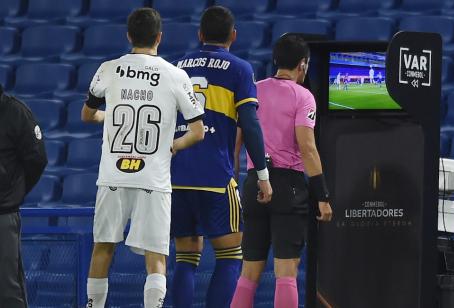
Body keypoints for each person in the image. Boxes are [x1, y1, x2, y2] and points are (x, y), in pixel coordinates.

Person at [82, 8, 205, 308]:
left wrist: (107, 118)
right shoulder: (176, 76)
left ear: (128, 36)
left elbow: (87, 114)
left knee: (103, 248)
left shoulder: (108, 69)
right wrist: (174, 146)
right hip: (153, 176)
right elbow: (198, 131)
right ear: (160, 37)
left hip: (113, 173)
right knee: (156, 256)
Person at [170, 6, 273, 308]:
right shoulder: (239, 69)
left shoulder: (176, 68)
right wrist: (263, 176)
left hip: (176, 176)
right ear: (233, 35)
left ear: (200, 35)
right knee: (230, 258)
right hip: (216, 176)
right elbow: (251, 125)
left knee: (186, 258)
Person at [231, 34, 333, 308]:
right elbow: (308, 148)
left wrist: (235, 182)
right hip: (288, 187)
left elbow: (236, 144)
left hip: (254, 184)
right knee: (286, 270)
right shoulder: (304, 97)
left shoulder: (253, 89)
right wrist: (322, 195)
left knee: (249, 271)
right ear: (303, 65)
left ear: (276, 60)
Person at [0, 84, 48, 308]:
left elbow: (37, 160)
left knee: (8, 291)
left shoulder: (15, 112)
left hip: (2, 215)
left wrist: (12, 193)